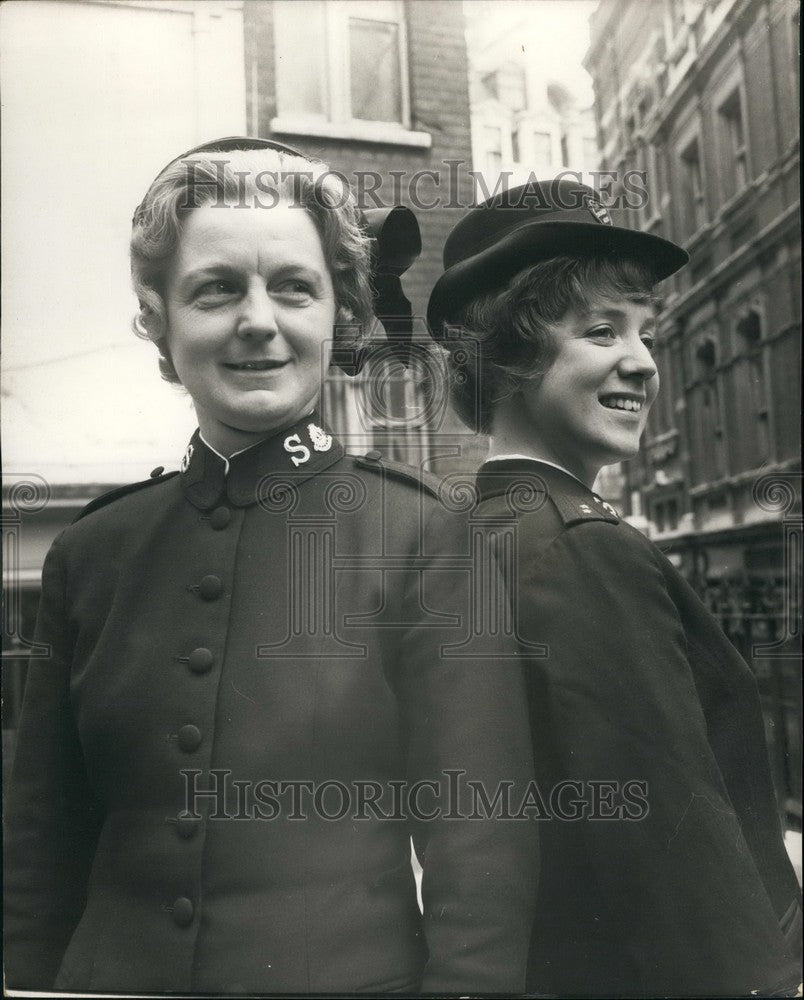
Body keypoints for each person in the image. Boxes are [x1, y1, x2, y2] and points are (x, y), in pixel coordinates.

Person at [3, 138, 537, 995]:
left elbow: (482, 857)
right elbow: (39, 852)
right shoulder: (90, 554)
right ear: (159, 320)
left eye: (293, 286)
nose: (259, 319)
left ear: (339, 314)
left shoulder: (425, 537)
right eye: (217, 289)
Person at [426, 177, 803, 997]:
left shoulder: (479, 531)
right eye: (601, 331)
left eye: (644, 331)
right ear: (513, 357)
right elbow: (675, 858)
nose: (642, 362)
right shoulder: (582, 549)